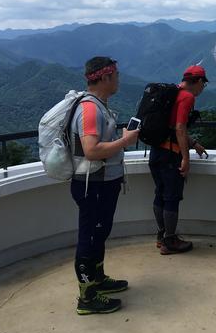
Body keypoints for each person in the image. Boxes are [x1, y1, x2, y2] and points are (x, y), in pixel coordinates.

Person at [70, 57, 139, 315]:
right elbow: (91, 150)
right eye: (116, 75)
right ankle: (87, 298)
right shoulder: (90, 110)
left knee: (99, 233)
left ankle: (98, 281)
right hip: (93, 185)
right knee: (89, 238)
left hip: (101, 183)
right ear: (105, 77)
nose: (119, 79)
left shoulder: (98, 106)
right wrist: (126, 141)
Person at [148, 65, 208, 254]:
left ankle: (162, 235)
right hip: (170, 156)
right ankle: (170, 242)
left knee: (160, 194)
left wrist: (193, 143)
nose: (202, 89)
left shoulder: (172, 93)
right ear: (198, 81)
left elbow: (172, 126)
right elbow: (180, 127)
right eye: (203, 85)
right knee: (172, 198)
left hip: (156, 152)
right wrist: (185, 158)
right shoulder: (187, 97)